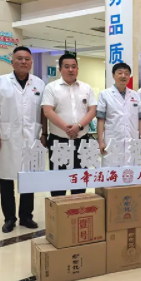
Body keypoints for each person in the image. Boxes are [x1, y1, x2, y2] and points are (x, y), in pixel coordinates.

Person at [0, 46, 45, 233]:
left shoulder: (39, 84)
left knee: (29, 178)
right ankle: (9, 218)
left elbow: (44, 111)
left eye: (27, 59)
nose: (23, 62)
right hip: (7, 138)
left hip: (32, 137)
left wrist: (44, 133)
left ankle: (26, 216)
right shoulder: (1, 82)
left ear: (31, 62)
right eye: (19, 58)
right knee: (6, 178)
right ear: (12, 62)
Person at [42, 53, 97, 196]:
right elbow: (48, 111)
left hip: (82, 141)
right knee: (58, 181)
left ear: (78, 69)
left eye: (74, 66)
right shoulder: (51, 87)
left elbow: (92, 110)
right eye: (67, 67)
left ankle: (77, 207)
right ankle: (59, 208)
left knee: (80, 180)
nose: (71, 70)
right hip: (59, 141)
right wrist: (66, 129)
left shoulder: (86, 88)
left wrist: (79, 126)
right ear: (60, 69)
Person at [97, 63, 141, 164]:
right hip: (112, 140)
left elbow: (140, 118)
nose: (123, 76)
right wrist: (101, 142)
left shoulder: (135, 95)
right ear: (113, 75)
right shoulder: (104, 94)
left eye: (126, 73)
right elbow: (101, 119)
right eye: (120, 73)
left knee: (131, 170)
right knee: (111, 170)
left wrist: (140, 137)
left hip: (132, 139)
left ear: (129, 76)